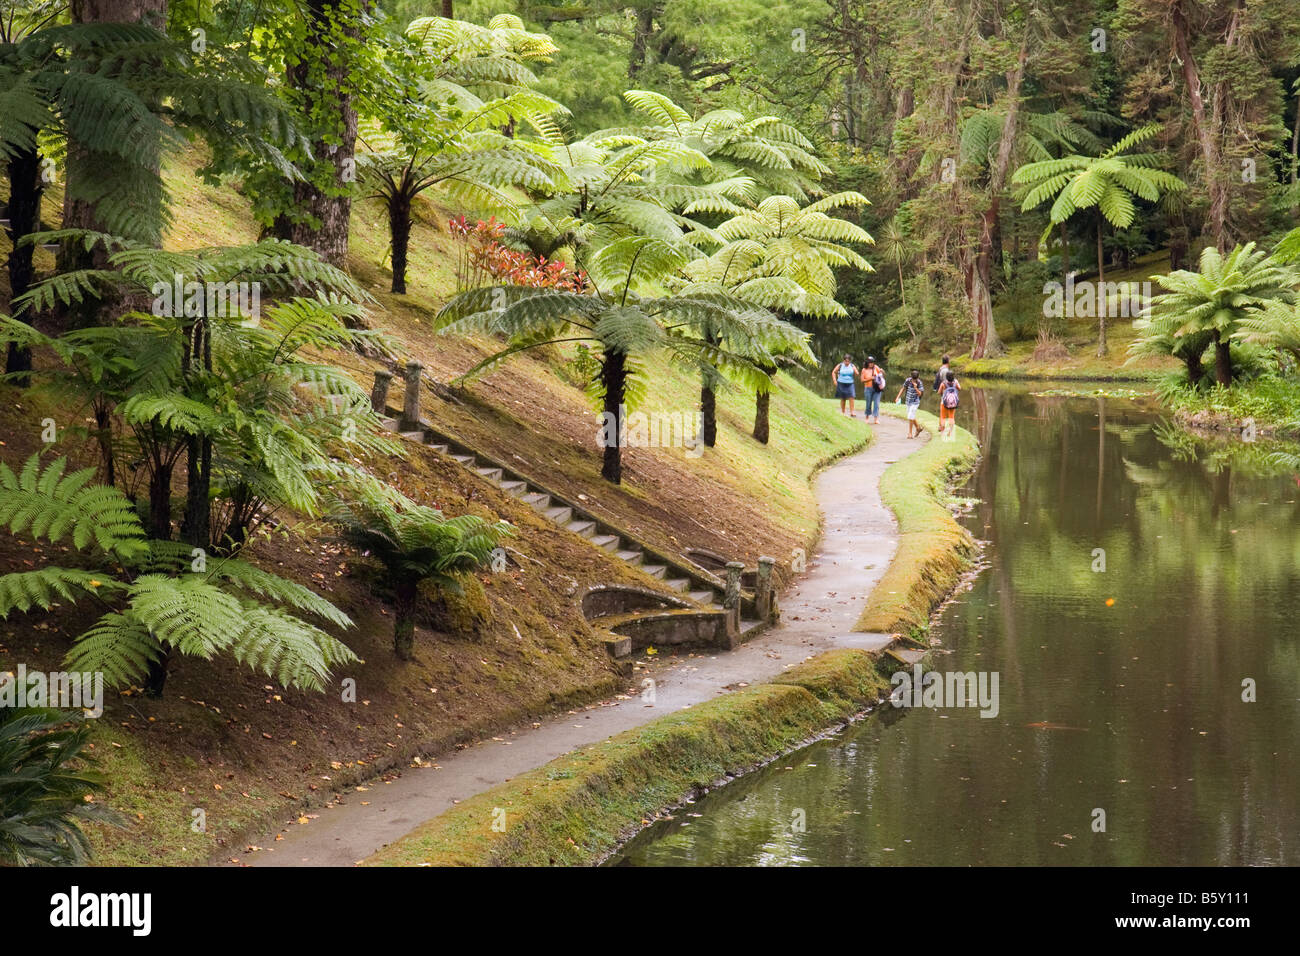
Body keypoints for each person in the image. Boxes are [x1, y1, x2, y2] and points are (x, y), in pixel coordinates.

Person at [895, 369, 925, 438]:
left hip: (915, 402)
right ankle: (918, 428)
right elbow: (903, 388)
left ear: (918, 377)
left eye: (915, 379)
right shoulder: (908, 380)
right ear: (911, 377)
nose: (914, 380)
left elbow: (920, 394)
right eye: (913, 379)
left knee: (910, 416)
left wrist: (916, 387)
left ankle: (910, 433)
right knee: (911, 416)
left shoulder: (919, 383)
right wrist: (897, 397)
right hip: (908, 401)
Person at [862, 356, 886, 424]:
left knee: (876, 404)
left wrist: (882, 371)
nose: (871, 364)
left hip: (877, 388)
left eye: (872, 362)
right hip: (868, 388)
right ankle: (867, 418)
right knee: (868, 403)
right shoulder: (864, 370)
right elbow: (862, 380)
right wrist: (871, 378)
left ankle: (876, 419)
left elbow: (882, 375)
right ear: (867, 363)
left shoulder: (876, 367)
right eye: (870, 363)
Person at [938, 370, 961, 436]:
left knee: (943, 417)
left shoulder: (943, 383)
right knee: (951, 417)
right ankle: (950, 432)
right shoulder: (956, 382)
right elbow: (959, 388)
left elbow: (939, 392)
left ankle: (942, 432)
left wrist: (943, 392)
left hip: (944, 402)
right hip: (953, 403)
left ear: (946, 377)